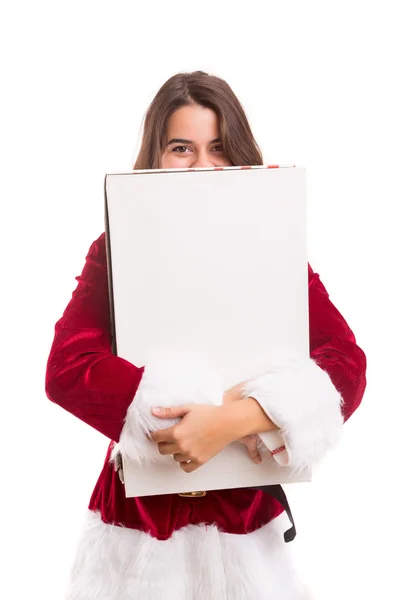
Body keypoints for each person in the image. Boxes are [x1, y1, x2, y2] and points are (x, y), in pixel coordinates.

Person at [45, 71, 367, 600]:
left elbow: (344, 364)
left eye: (217, 147)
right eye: (181, 147)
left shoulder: (273, 243)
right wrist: (178, 412)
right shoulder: (116, 247)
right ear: (156, 153)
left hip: (244, 524)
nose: (202, 164)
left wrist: (235, 418)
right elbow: (67, 368)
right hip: (139, 526)